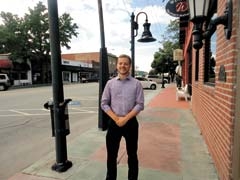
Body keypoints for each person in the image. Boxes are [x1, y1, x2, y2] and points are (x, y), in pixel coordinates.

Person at [101, 54, 144, 180]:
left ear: (129, 66)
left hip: (130, 123)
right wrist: (116, 119)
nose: (122, 66)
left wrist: (125, 119)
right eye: (120, 63)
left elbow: (140, 104)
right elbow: (104, 103)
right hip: (114, 123)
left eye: (125, 63)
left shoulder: (136, 84)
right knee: (111, 155)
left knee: (132, 155)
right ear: (117, 65)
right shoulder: (110, 84)